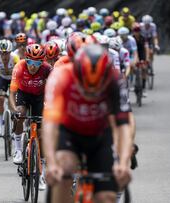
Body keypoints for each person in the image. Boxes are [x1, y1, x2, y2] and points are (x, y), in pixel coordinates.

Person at [43, 44, 133, 203]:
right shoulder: (61, 77)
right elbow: (50, 123)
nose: (91, 93)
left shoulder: (116, 79)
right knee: (65, 168)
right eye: (85, 88)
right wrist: (51, 163)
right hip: (69, 132)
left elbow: (124, 124)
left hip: (100, 135)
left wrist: (124, 162)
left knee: (106, 198)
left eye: (97, 89)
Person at [9, 43, 52, 190]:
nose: (33, 66)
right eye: (30, 62)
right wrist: (14, 110)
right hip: (23, 94)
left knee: (42, 134)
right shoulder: (19, 67)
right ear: (25, 59)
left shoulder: (47, 69)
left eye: (37, 63)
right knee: (20, 114)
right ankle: (19, 150)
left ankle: (42, 172)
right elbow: (12, 93)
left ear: (42, 62)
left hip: (39, 97)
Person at [0, 39, 19, 137]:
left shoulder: (15, 58)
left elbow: (19, 74)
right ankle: (0, 126)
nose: (4, 56)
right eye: (1, 53)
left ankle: (14, 124)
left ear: (10, 52)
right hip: (2, 78)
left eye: (6, 53)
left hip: (14, 78)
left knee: (14, 99)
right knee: (0, 98)